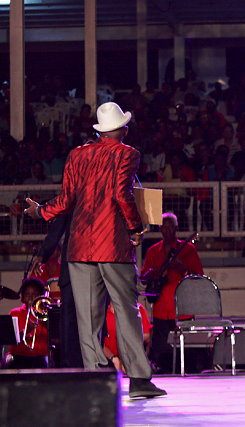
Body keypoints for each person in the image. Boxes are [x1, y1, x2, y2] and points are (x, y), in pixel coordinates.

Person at [24, 101, 166, 398]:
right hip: (113, 245)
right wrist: (135, 228)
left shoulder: (77, 155)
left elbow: (65, 200)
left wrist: (40, 211)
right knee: (126, 312)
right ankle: (138, 380)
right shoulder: (127, 154)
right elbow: (121, 194)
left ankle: (96, 379)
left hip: (79, 247)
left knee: (87, 318)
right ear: (123, 129)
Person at [140, 212, 203, 373]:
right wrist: (155, 273)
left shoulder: (187, 249)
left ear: (176, 228)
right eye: (164, 227)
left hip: (183, 309)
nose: (167, 230)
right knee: (162, 352)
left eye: (170, 227)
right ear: (160, 229)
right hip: (161, 309)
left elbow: (199, 277)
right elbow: (143, 277)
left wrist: (182, 268)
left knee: (186, 351)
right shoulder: (153, 251)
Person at [28, 214, 83, 368]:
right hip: (44, 316)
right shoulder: (39, 270)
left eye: (54, 250)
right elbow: (31, 294)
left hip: (63, 309)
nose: (52, 252)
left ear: (59, 252)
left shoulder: (64, 268)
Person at [4, 278, 50, 369]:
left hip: (41, 357)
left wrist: (46, 322)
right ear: (22, 297)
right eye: (27, 294)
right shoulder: (15, 313)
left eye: (34, 295)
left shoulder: (46, 314)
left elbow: (54, 338)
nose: (31, 298)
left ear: (41, 297)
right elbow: (11, 339)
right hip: (18, 356)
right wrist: (26, 331)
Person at [103, 301, 152, 374]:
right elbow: (98, 342)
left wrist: (127, 357)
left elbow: (146, 335)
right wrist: (114, 359)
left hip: (131, 356)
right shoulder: (101, 312)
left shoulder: (137, 308)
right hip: (107, 358)